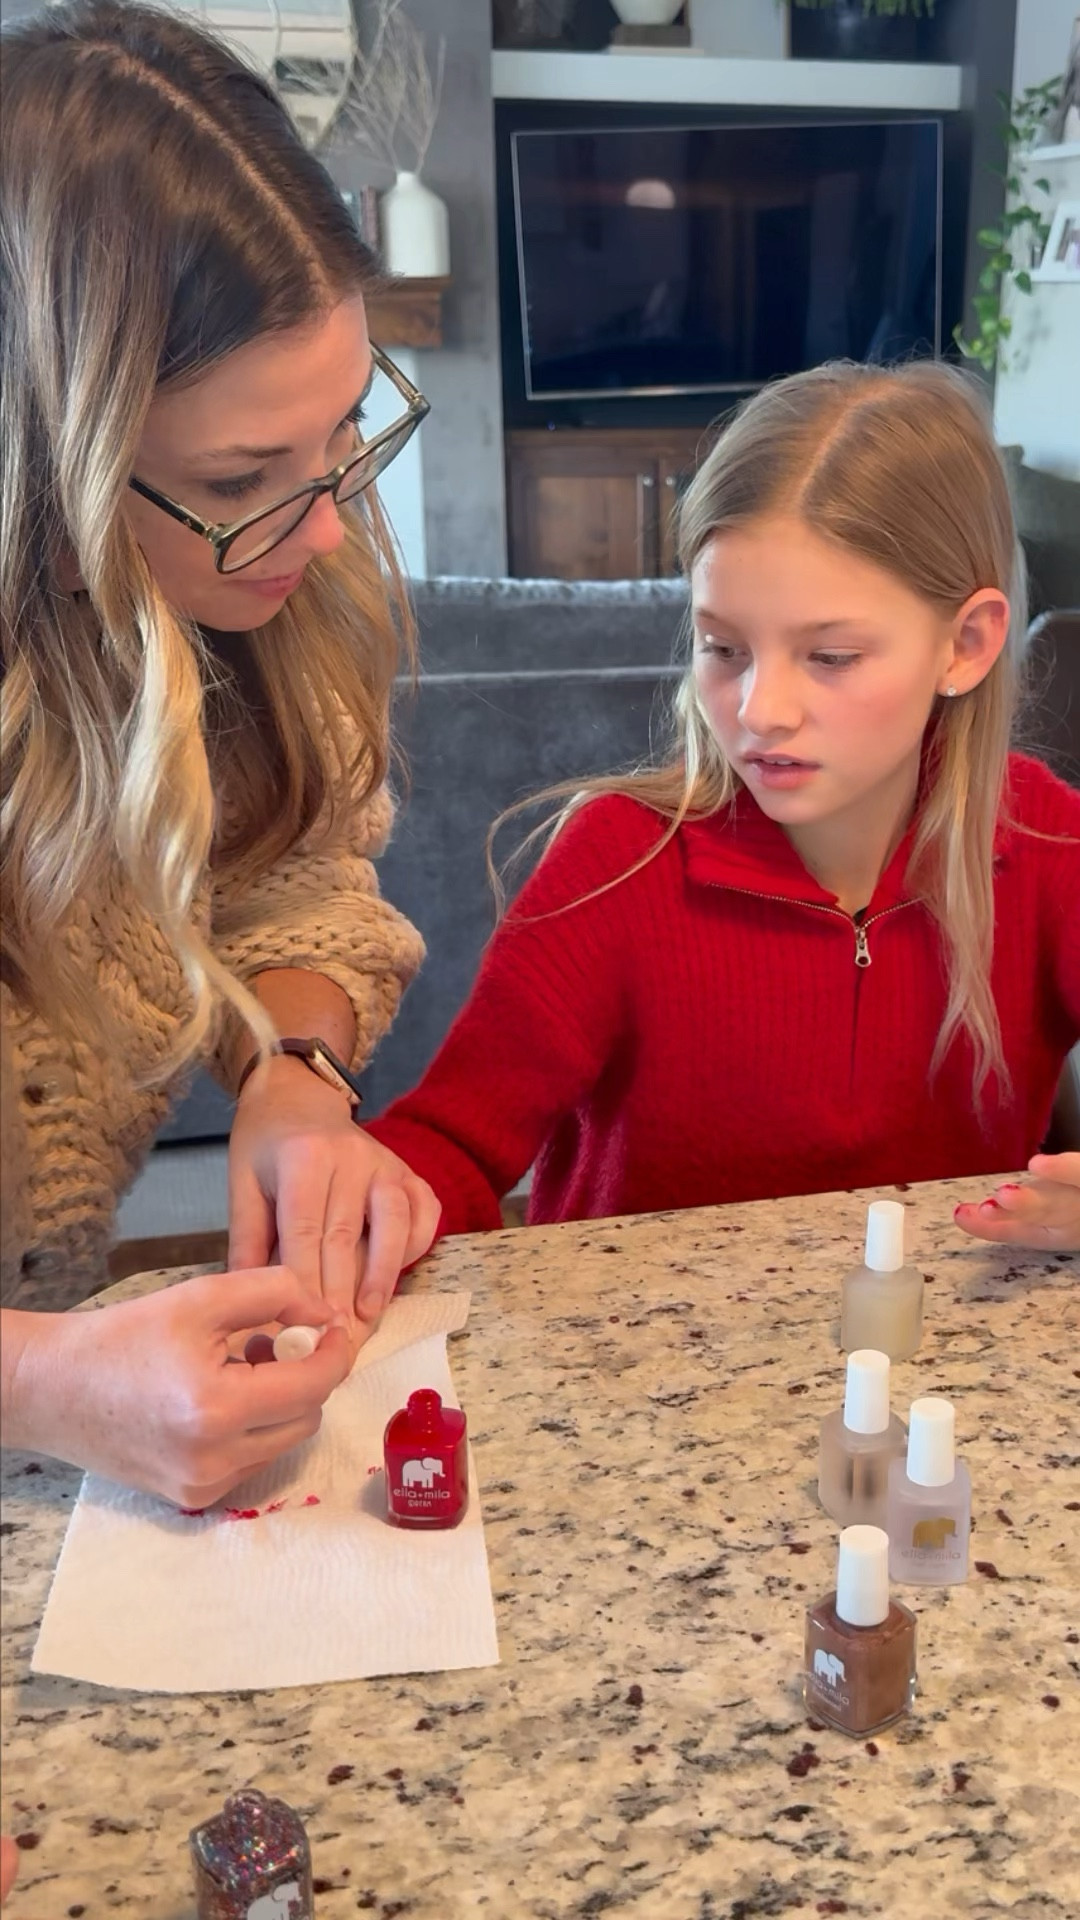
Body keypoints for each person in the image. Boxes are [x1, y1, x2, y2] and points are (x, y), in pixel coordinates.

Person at [0, 0, 439, 1509]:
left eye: (342, 441)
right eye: (245, 478)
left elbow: (298, 875)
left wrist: (297, 1074)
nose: (323, 531)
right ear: (36, 465)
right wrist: (44, 1378)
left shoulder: (243, 604)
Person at [365, 361, 1080, 1254]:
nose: (759, 709)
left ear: (966, 645)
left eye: (831, 657)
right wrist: (368, 1211)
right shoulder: (616, 860)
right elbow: (450, 1145)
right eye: (723, 647)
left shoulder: (1047, 841)